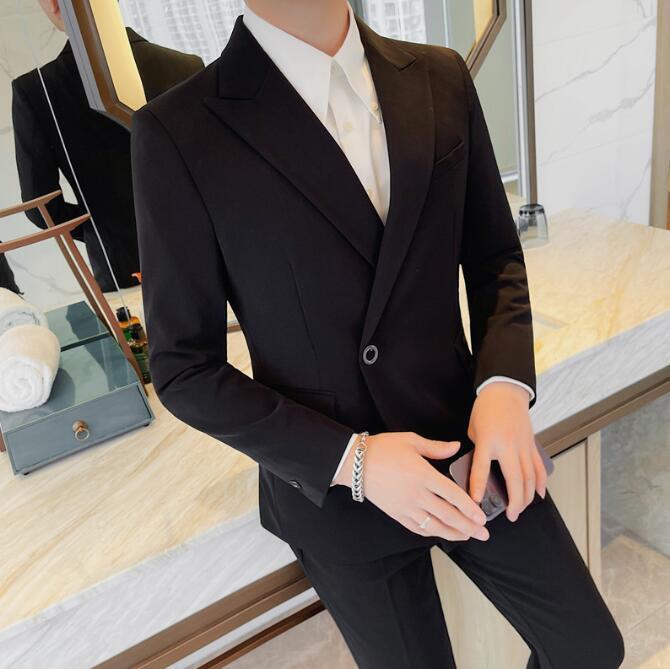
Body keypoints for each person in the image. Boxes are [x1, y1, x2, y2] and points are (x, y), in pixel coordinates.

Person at [130, 1, 625, 667]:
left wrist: (505, 386)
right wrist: (354, 461)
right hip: (338, 490)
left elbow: (494, 258)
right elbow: (184, 368)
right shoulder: (179, 130)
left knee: (588, 647)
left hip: (469, 441)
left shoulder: (438, 74)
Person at [11, 0, 203, 292]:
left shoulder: (35, 91)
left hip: (123, 272)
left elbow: (41, 208)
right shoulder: (187, 66)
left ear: (53, 5)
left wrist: (101, 230)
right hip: (208, 254)